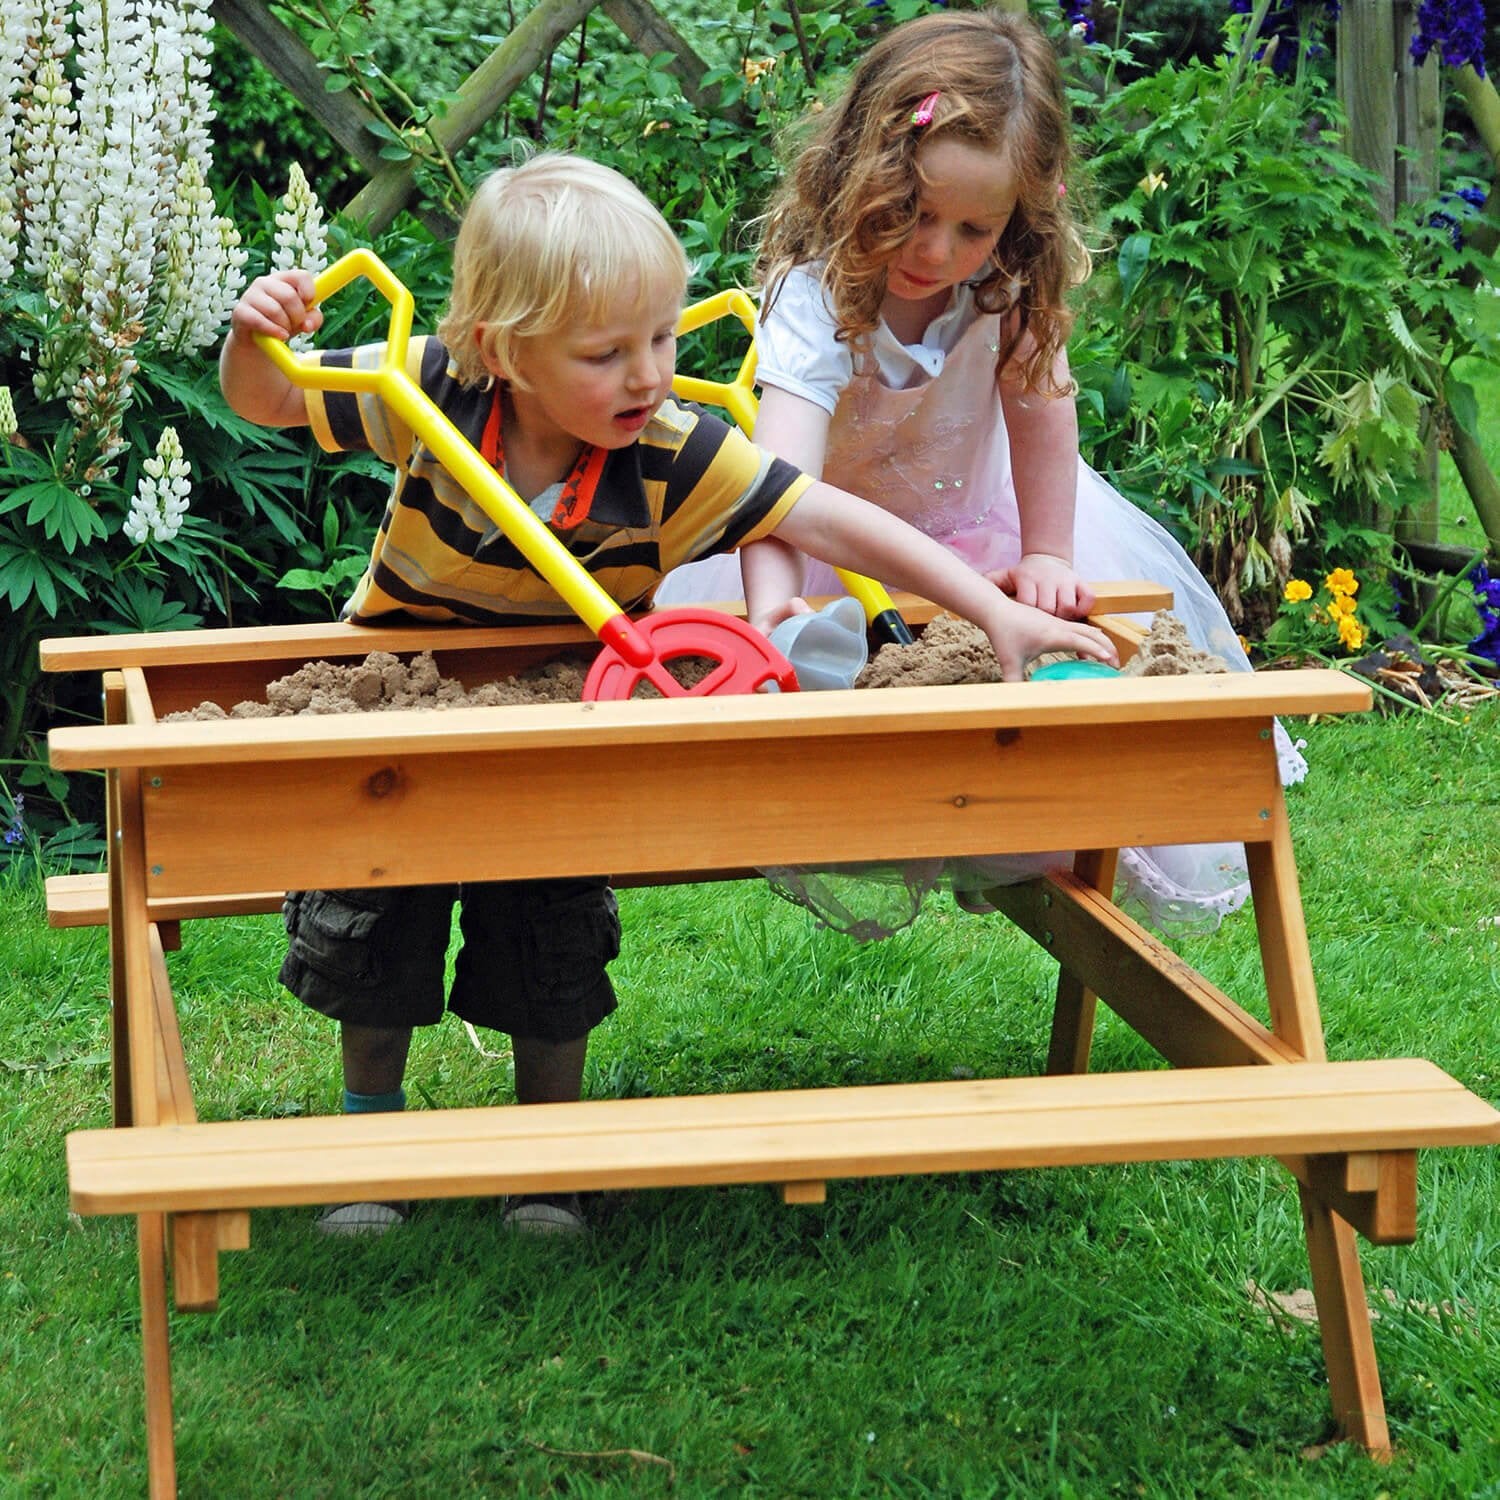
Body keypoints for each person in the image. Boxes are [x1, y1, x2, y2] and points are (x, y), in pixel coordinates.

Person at [219, 151, 1116, 1236]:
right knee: (374, 923)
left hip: (567, 716)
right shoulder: (434, 390)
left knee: (549, 929)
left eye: (660, 336)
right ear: (503, 350)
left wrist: (994, 609)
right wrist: (256, 335)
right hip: (410, 699)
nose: (648, 373)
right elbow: (269, 399)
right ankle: (370, 1147)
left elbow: (825, 519)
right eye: (607, 352)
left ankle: (549, 1163)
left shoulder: (669, 448)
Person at [656, 7, 1306, 939]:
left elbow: (1043, 415)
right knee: (837, 739)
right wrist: (770, 606)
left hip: (979, 529)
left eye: (973, 227)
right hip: (824, 543)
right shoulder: (816, 295)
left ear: (1017, 220)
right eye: (914, 215)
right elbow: (778, 484)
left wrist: (1046, 546)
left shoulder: (1005, 287)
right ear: (860, 178)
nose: (937, 252)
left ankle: (1016, 829)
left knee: (1056, 704)